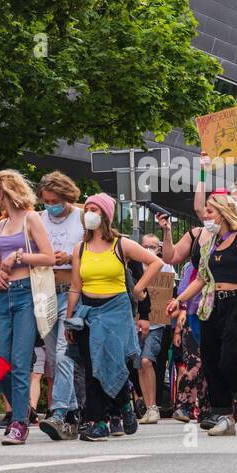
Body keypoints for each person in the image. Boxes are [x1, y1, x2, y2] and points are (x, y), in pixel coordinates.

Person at [166, 193, 237, 436]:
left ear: (222, 213)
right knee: (210, 361)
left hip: (236, 305)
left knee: (230, 358)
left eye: (210, 212)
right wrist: (179, 300)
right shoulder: (208, 244)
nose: (206, 216)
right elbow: (201, 278)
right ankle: (224, 414)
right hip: (210, 307)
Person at [67, 194, 162, 440]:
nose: (88, 213)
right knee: (92, 368)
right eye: (86, 208)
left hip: (116, 310)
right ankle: (102, 419)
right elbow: (75, 286)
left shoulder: (122, 244)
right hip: (88, 310)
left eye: (94, 209)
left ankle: (111, 413)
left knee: (113, 363)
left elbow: (155, 263)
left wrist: (139, 289)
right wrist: (70, 317)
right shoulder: (80, 248)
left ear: (106, 215)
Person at [0, 169, 56, 445]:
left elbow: (49, 256)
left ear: (5, 193)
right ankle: (22, 405)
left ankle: (18, 422)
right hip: (4, 295)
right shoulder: (0, 226)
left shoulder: (31, 218)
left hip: (27, 292)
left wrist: (19, 256)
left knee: (19, 359)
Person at [35, 172, 84, 440]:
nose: (51, 205)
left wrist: (71, 256)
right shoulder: (40, 219)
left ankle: (60, 412)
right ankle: (75, 412)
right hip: (45, 292)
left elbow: (93, 249)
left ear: (67, 196)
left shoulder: (81, 217)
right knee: (54, 356)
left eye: (55, 200)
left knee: (65, 352)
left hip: (71, 291)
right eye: (46, 201)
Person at [135, 232, 175, 423]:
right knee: (139, 365)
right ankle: (148, 405)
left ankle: (153, 406)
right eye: (145, 245)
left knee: (146, 361)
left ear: (158, 248)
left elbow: (171, 294)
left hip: (156, 324)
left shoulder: (166, 268)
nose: (148, 249)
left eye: (152, 246)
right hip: (135, 324)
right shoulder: (134, 266)